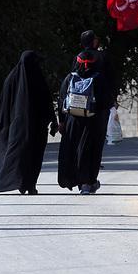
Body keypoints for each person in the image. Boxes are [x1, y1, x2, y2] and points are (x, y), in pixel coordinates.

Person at [0, 51, 58, 194]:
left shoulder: (11, 80)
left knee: (20, 154)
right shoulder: (37, 79)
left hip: (16, 128)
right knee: (33, 156)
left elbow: (2, 107)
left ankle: (21, 183)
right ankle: (28, 185)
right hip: (36, 127)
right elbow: (47, 102)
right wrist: (53, 121)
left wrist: (1, 126)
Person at [57, 30, 115, 195]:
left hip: (73, 118)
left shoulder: (71, 77)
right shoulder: (100, 75)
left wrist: (62, 120)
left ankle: (77, 180)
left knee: (75, 148)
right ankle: (88, 182)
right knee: (93, 149)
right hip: (95, 119)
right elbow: (107, 97)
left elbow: (62, 99)